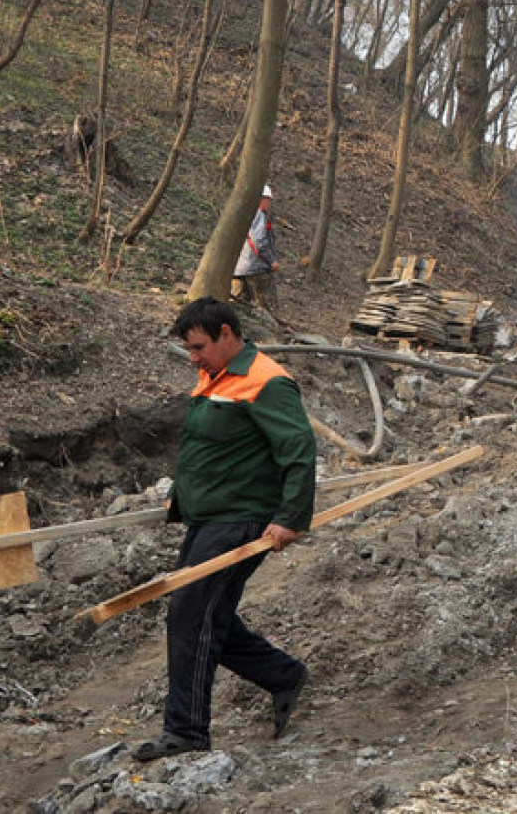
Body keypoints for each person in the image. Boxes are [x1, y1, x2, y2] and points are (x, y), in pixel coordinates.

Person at [134, 297, 316, 761]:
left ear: (227, 334)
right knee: (202, 613)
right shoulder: (217, 373)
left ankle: (188, 731)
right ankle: (282, 675)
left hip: (242, 518)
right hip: (211, 515)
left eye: (198, 347)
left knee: (191, 617)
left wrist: (290, 518)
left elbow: (298, 451)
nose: (191, 357)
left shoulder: (267, 382)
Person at [232, 185, 280, 311]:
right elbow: (258, 241)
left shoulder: (245, 213)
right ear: (261, 199)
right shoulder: (258, 215)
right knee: (266, 308)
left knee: (238, 305)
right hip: (256, 268)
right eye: (268, 199)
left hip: (240, 267)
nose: (270, 202)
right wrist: (271, 261)